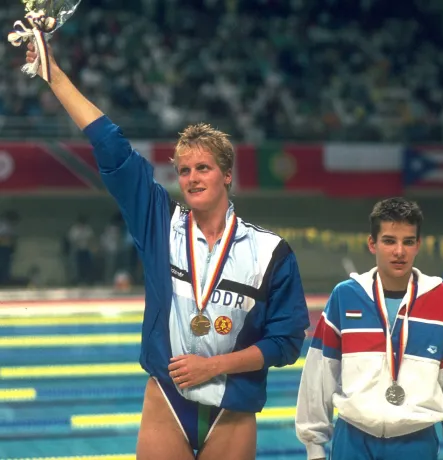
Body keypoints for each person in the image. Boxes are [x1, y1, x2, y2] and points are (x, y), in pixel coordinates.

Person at [24, 43, 310, 459]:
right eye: (184, 170)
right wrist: (54, 75)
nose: (192, 178)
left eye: (203, 168)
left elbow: (285, 342)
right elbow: (111, 146)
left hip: (232, 411)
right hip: (167, 401)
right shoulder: (161, 223)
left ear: (227, 174)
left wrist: (214, 367)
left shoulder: (271, 252)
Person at [296, 197, 443, 460]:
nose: (399, 251)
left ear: (418, 245)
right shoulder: (346, 296)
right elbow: (320, 372)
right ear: (372, 244)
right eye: (389, 241)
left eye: (408, 241)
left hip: (416, 441)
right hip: (353, 439)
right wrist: (314, 447)